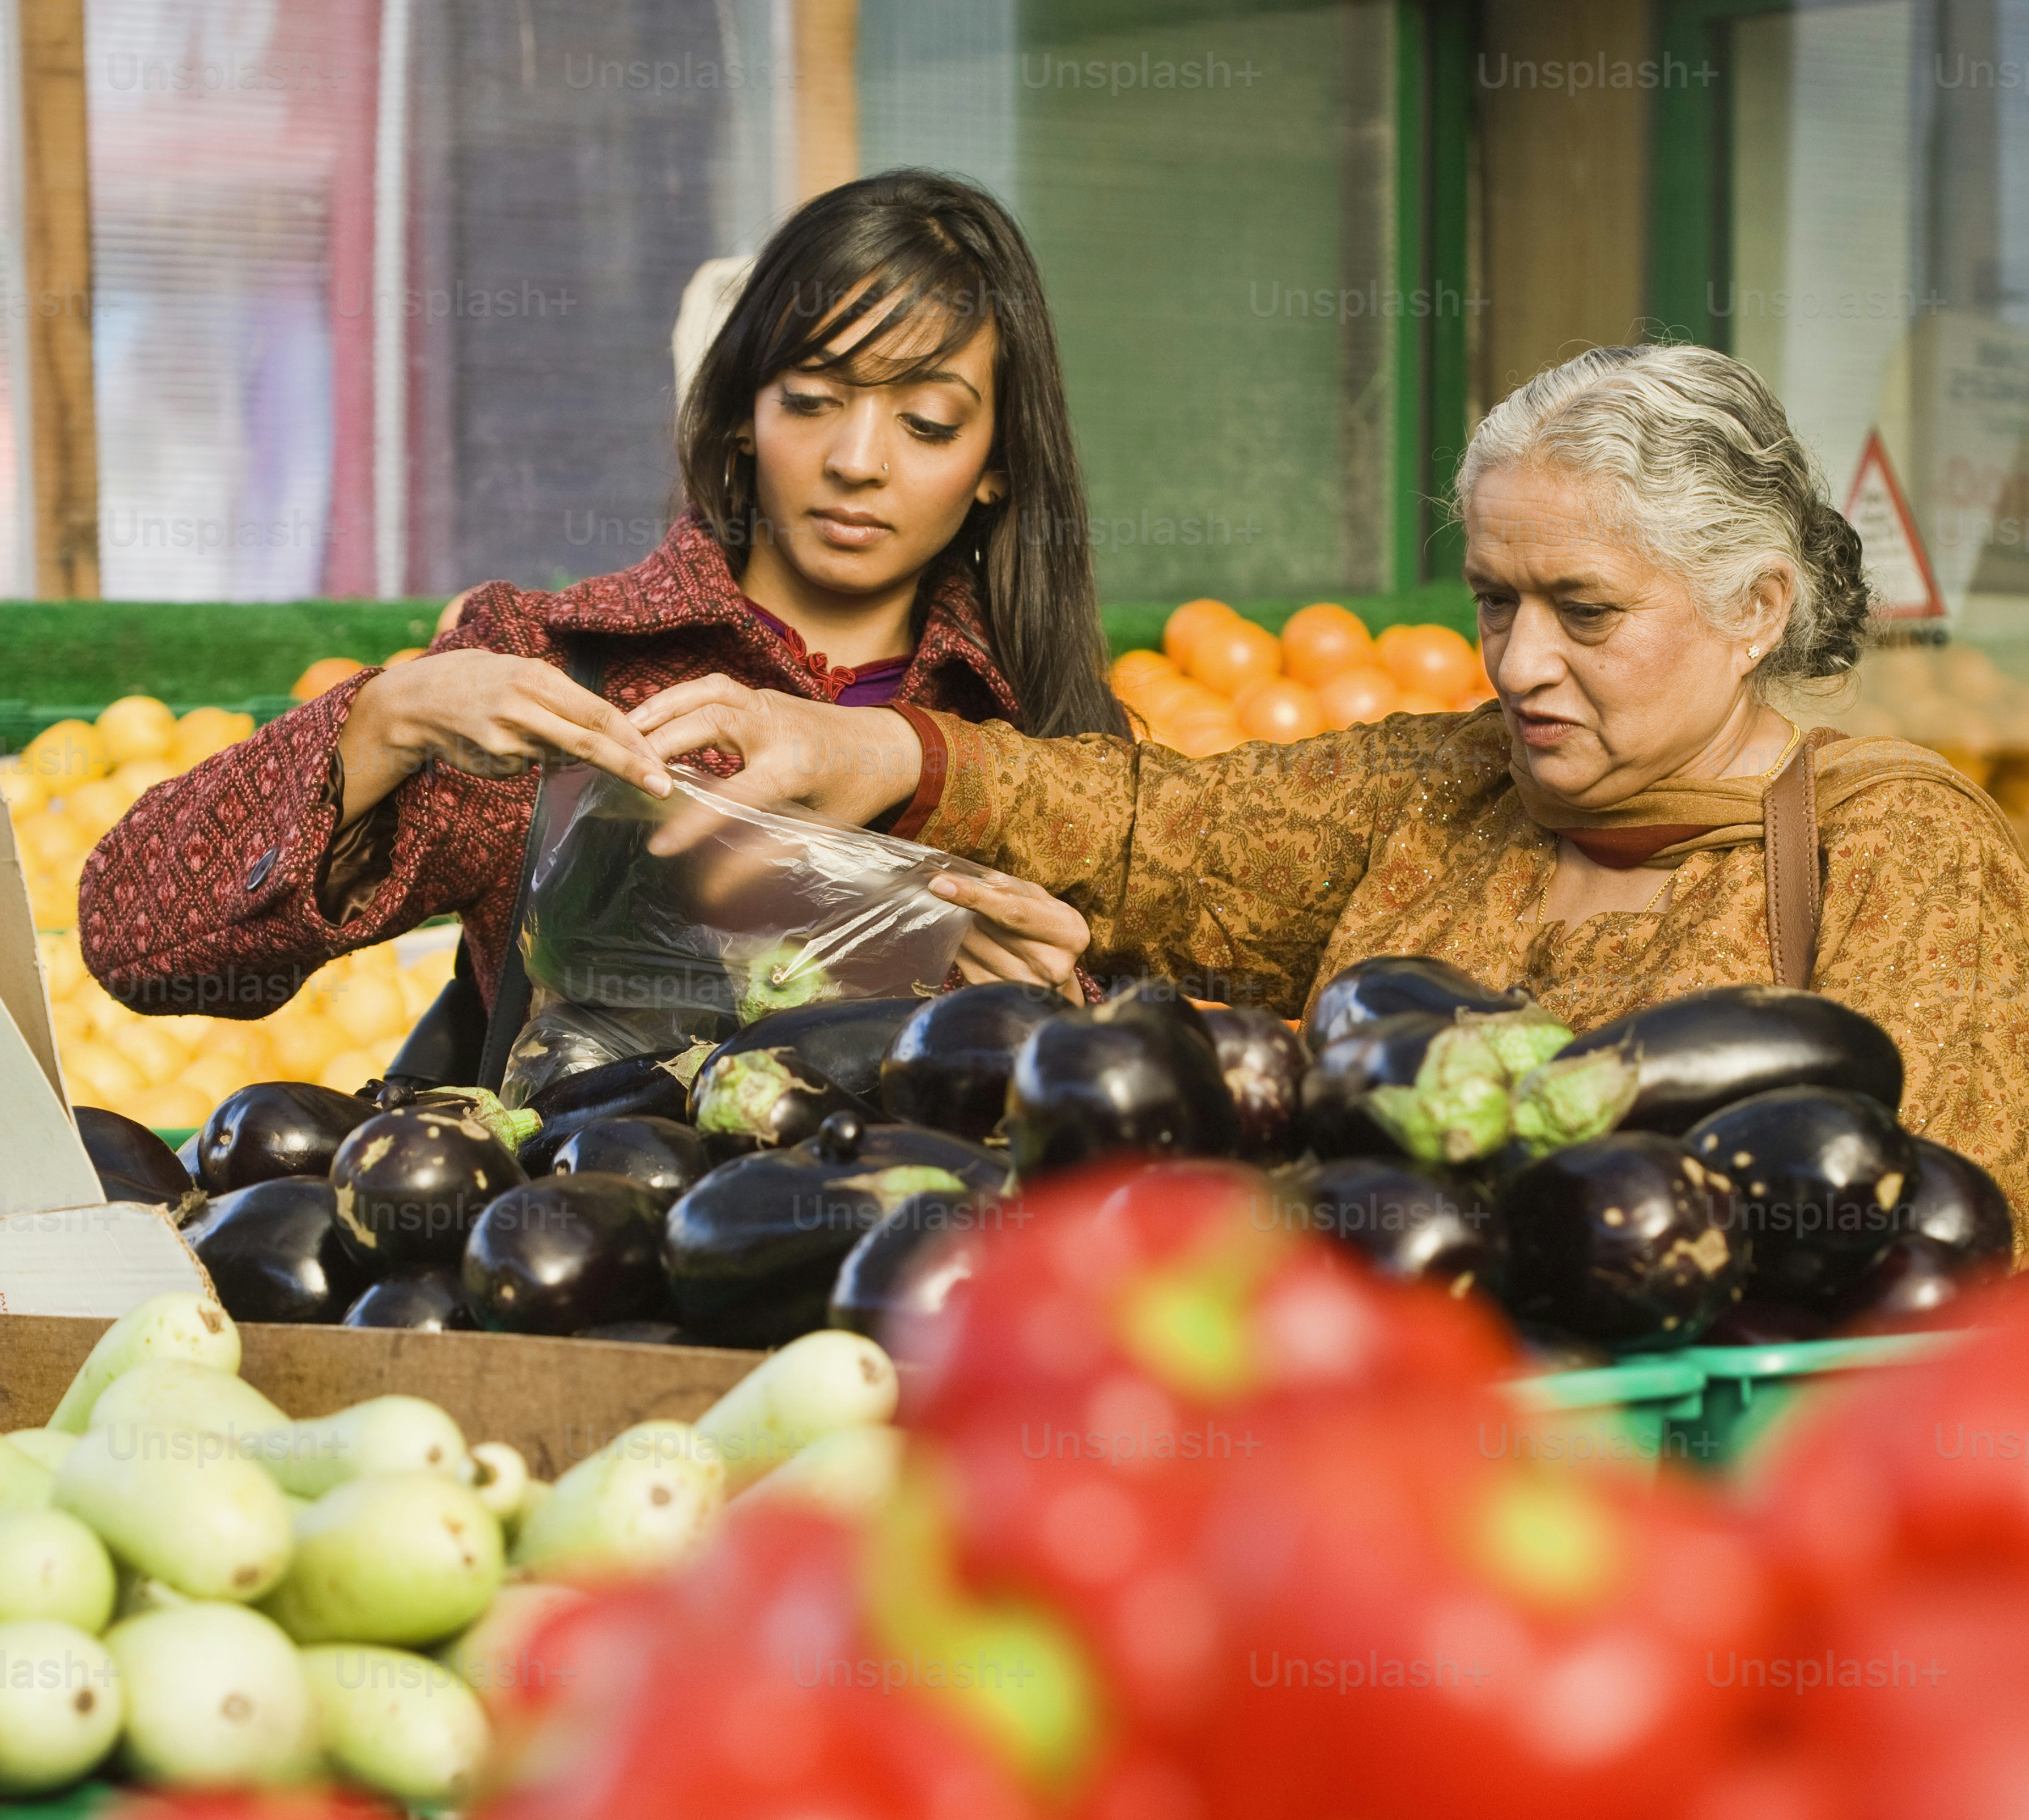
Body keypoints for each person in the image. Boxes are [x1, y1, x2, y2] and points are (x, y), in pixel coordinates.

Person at [621, 342, 2029, 1222]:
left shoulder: (1895, 848)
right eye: (1492, 601)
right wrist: (862, 746)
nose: (1519, 663)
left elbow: (1941, 1227)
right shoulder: (1436, 789)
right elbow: (1150, 825)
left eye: (1582, 610)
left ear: (1754, 608)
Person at [79, 169, 1122, 1044]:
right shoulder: (560, 678)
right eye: (811, 400)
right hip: (577, 1257)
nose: (857, 461)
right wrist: (384, 718)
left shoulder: (1045, 741)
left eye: (929, 423)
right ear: (743, 417)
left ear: (996, 465)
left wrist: (1064, 1010)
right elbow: (137, 941)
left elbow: (1173, 1094)